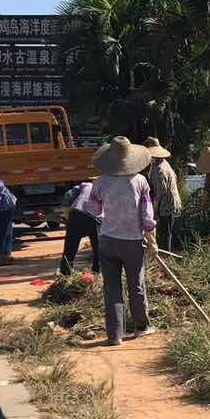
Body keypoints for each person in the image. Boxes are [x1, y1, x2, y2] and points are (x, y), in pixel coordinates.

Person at [84, 137, 158, 346]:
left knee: (112, 288)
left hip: (107, 240)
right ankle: (141, 327)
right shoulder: (140, 181)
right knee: (136, 285)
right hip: (132, 241)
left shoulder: (100, 182)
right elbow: (147, 216)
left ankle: (115, 334)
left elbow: (93, 210)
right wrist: (152, 239)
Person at [144, 137, 182, 252]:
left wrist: (154, 209)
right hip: (171, 201)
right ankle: (167, 253)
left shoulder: (158, 169)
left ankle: (166, 256)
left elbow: (161, 191)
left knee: (165, 233)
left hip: (166, 203)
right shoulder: (164, 163)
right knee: (167, 232)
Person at [58, 179, 101, 276]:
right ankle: (96, 273)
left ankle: (65, 273)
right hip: (93, 217)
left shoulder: (85, 185)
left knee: (70, 246)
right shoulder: (107, 188)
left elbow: (67, 196)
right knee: (98, 248)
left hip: (75, 214)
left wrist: (67, 215)